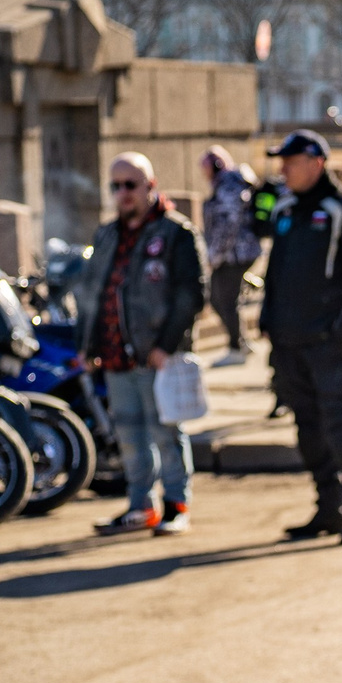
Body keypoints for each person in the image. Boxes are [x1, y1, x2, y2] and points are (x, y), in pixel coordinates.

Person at [255, 131, 342, 544]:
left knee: (341, 428)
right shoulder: (286, 207)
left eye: (290, 162)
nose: (283, 170)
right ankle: (329, 509)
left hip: (327, 343)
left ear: (316, 163)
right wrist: (268, 319)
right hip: (287, 342)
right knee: (308, 432)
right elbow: (275, 268)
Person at [74, 152, 207, 537]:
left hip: (156, 355)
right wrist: (87, 346)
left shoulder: (175, 233)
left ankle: (176, 505)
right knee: (129, 437)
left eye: (130, 185)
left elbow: (191, 294)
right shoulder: (106, 234)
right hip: (115, 355)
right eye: (115, 186)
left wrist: (167, 345)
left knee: (166, 433)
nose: (123, 193)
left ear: (150, 186)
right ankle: (140, 507)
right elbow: (91, 292)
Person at [198, 145, 263, 366]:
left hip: (235, 254)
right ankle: (240, 343)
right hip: (234, 253)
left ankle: (236, 349)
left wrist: (213, 255)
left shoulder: (228, 186)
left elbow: (228, 225)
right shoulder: (228, 184)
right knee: (220, 298)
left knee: (224, 300)